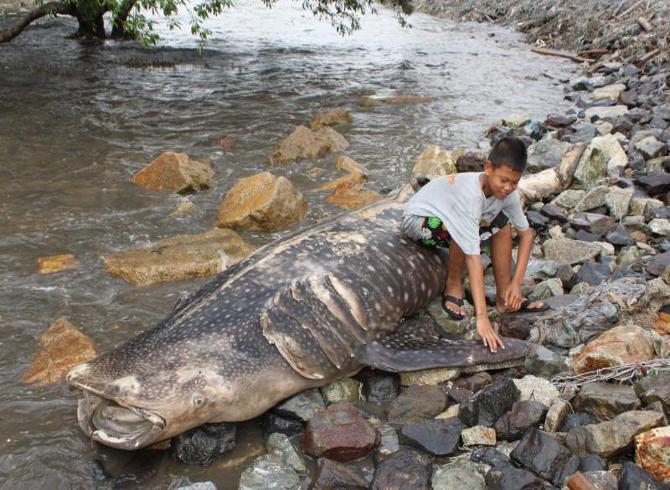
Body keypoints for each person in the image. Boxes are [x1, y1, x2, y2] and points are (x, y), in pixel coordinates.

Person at [401, 136, 548, 353]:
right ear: (488, 168)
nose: (508, 188)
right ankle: (452, 285)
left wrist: (516, 284)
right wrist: (482, 319)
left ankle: (502, 297)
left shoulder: (507, 194)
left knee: (502, 224)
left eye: (514, 182)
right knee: (461, 226)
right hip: (419, 219)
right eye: (503, 180)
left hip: (453, 217)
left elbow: (526, 235)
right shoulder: (471, 196)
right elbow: (473, 258)